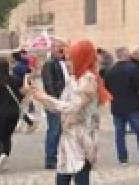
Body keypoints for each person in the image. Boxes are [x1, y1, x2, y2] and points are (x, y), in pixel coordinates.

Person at [25, 39, 110, 185]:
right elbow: (60, 107)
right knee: (62, 179)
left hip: (82, 139)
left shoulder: (88, 80)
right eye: (67, 59)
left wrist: (43, 97)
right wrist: (38, 96)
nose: (67, 63)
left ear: (81, 58)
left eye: (71, 59)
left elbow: (72, 106)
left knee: (80, 178)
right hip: (68, 138)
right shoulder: (73, 79)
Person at [103, 47, 139, 164]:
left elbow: (106, 87)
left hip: (116, 105)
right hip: (132, 104)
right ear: (126, 55)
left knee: (119, 133)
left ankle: (122, 159)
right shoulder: (133, 68)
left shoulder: (110, 71)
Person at [40, 42, 69, 170]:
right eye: (58, 49)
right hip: (55, 102)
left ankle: (59, 157)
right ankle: (50, 159)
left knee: (60, 130)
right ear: (52, 50)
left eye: (61, 49)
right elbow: (49, 84)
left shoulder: (59, 63)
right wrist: (54, 102)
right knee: (54, 130)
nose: (61, 51)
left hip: (62, 101)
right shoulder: (49, 64)